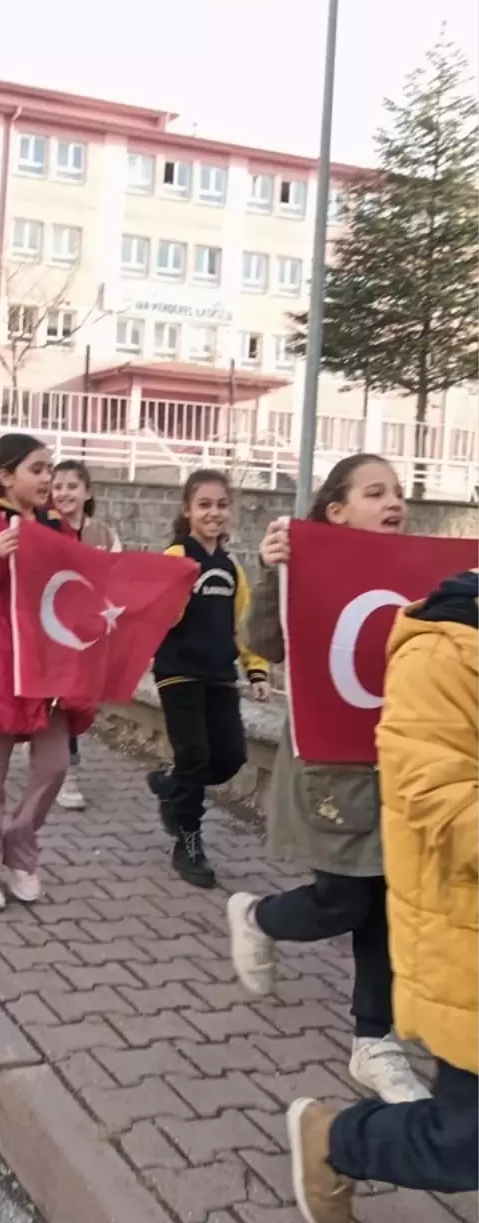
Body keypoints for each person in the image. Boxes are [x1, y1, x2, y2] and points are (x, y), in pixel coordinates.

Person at [226, 454, 430, 1103]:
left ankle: (375, 1041)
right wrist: (276, 567)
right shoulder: (305, 565)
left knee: (386, 909)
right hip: (332, 773)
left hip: (402, 770)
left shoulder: (428, 579)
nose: (393, 502)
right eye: (376, 492)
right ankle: (259, 917)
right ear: (336, 510)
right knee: (345, 901)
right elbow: (265, 640)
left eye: (398, 492)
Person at [286, 567, 479, 1223]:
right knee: (463, 1144)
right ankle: (336, 1139)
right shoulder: (444, 649)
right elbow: (438, 797)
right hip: (467, 944)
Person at [0, 435, 96, 912]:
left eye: (50, 468)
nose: (48, 478)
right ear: (7, 476)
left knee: (54, 765)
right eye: (37, 469)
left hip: (48, 664)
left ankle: (18, 846)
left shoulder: (58, 526)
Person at [146, 469, 268, 888]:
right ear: (187, 511)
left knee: (230, 756)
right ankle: (189, 841)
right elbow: (158, 613)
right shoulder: (175, 557)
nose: (214, 513)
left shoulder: (233, 567)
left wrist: (256, 669)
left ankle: (173, 785)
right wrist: (178, 585)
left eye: (220, 505)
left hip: (219, 673)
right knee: (195, 756)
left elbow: (244, 626)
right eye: (204, 505)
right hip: (178, 670)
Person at [50, 460, 121, 809]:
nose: (64, 493)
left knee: (76, 701)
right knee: (61, 700)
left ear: (87, 492)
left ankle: (53, 756)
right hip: (52, 632)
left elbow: (120, 575)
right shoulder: (43, 530)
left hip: (89, 634)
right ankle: (67, 773)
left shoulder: (104, 534)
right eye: (57, 486)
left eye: (72, 486)